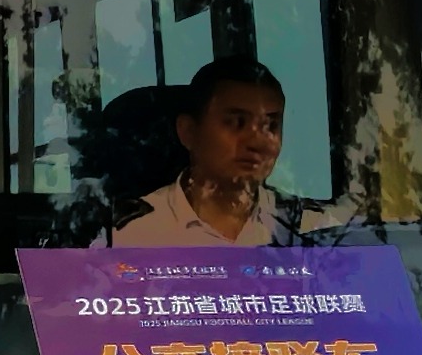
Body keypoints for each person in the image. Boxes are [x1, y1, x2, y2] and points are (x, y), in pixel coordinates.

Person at [111, 56, 327, 248]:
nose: (258, 142)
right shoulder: (131, 233)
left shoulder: (312, 227)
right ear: (188, 132)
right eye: (237, 123)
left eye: (271, 126)